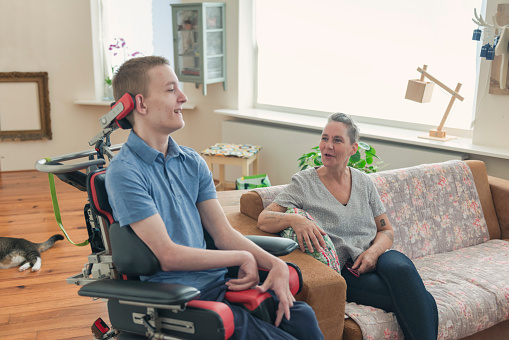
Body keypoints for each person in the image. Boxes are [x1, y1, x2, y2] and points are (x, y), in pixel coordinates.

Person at [104, 56, 323, 340]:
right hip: (181, 298)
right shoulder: (125, 172)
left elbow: (222, 234)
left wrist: (276, 264)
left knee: (302, 318)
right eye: (171, 90)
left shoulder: (191, 161)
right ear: (141, 104)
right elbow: (167, 256)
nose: (182, 97)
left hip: (221, 284)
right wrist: (243, 257)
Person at [257, 113, 439, 340]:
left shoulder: (364, 182)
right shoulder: (304, 183)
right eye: (325, 138)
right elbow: (264, 219)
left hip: (377, 256)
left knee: (402, 269)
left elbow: (386, 230)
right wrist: (295, 219)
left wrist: (373, 252)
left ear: (353, 149)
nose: (328, 146)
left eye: (337, 140)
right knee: (423, 300)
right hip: (349, 271)